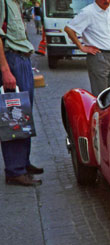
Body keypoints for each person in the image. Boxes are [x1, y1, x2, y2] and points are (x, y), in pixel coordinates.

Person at [0, 0, 44, 186]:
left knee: (23, 116)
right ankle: (15, 170)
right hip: (12, 61)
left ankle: (23, 163)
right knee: (14, 117)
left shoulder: (14, 2)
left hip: (21, 60)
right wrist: (5, 70)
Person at [65, 0, 110, 96]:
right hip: (99, 56)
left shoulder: (108, 9)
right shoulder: (88, 12)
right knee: (101, 94)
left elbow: (107, 32)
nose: (107, 1)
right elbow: (69, 29)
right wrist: (82, 47)